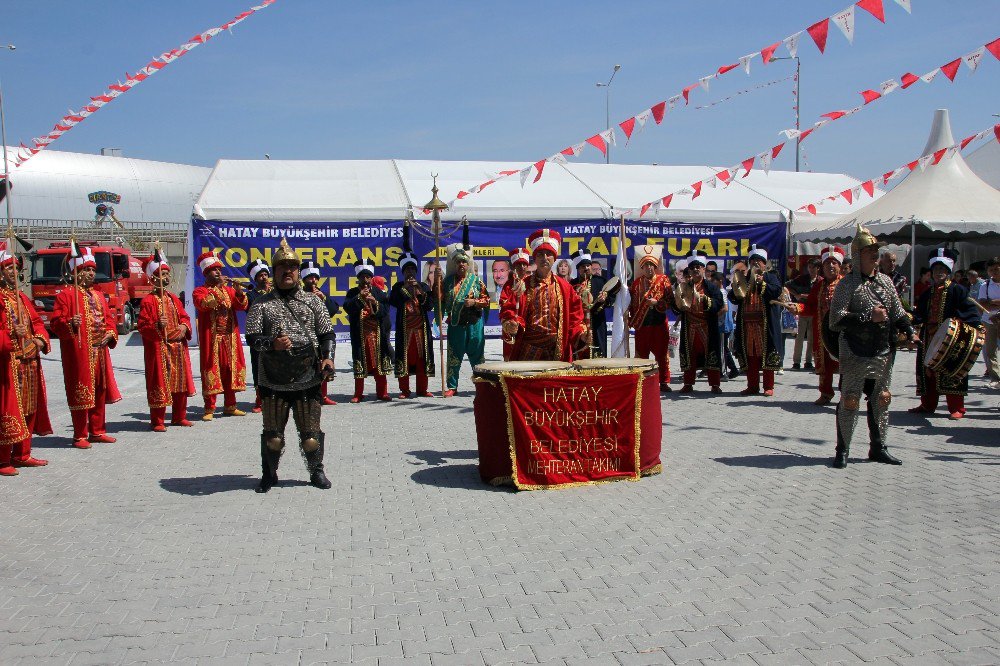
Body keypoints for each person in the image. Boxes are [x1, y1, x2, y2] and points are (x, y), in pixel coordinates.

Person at [244, 239, 336, 493]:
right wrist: (272, 344)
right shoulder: (261, 303)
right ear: (274, 272)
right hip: (273, 377)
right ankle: (269, 473)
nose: (288, 272)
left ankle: (316, 471)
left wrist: (328, 357)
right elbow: (252, 339)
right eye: (282, 267)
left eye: (292, 267)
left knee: (310, 437)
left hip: (307, 374)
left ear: (298, 271)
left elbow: (327, 333)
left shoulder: (313, 301)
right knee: (273, 437)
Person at [829, 225, 917, 468]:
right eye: (869, 250)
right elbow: (835, 320)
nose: (873, 255)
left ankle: (878, 447)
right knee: (850, 399)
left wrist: (910, 330)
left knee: (881, 399)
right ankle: (843, 449)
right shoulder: (847, 285)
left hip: (882, 349)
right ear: (857, 255)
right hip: (855, 350)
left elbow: (898, 312)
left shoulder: (886, 282)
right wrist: (868, 317)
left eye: (875, 250)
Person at [50, 246, 122, 448]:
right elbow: (55, 323)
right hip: (80, 352)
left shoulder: (98, 295)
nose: (91, 273)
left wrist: (110, 333)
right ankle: (80, 434)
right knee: (81, 390)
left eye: (92, 269)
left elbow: (109, 320)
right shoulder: (66, 295)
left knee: (100, 390)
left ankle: (97, 431)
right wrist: (69, 322)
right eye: (86, 269)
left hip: (100, 351)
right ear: (76, 272)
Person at [909, 249, 981, 420]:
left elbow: (970, 311)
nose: (939, 273)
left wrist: (968, 325)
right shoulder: (928, 292)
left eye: (942, 270)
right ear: (931, 272)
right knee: (927, 370)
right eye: (935, 270)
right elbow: (921, 315)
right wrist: (908, 317)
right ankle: (927, 404)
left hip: (951, 337)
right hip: (929, 336)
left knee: (951, 370)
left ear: (948, 272)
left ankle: (956, 407)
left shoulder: (958, 290)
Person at [500, 229, 586, 363]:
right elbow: (509, 310)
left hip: (557, 350)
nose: (545, 258)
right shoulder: (524, 286)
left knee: (555, 384)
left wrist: (582, 334)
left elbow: (575, 318)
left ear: (554, 258)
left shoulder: (565, 287)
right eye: (540, 254)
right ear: (535, 258)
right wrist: (510, 324)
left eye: (548, 254)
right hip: (529, 349)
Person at [0, 250, 51, 473]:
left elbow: (37, 322)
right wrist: (11, 335)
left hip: (30, 361)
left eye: (16, 267)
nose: (14, 271)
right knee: (8, 409)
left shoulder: (21, 297)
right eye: (8, 267)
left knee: (29, 407)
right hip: (8, 363)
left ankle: (23, 453)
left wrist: (40, 339)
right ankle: (3, 458)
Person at [137, 251, 196, 431]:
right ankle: (158, 420)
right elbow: (142, 326)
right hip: (160, 347)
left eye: (167, 274)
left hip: (177, 347)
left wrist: (184, 327)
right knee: (159, 382)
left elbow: (185, 317)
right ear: (153, 278)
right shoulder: (148, 301)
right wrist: (156, 324)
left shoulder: (173, 298)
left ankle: (179, 416)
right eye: (162, 274)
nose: (166, 277)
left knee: (179, 382)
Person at [783, 247, 844, 405]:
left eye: (834, 263)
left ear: (840, 266)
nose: (831, 266)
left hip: (844, 333)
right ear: (822, 267)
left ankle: (846, 395)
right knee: (824, 364)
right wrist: (796, 308)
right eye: (827, 263)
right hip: (822, 332)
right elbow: (809, 306)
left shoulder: (846, 284)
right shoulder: (819, 286)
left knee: (845, 365)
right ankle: (825, 393)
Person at [192, 251, 248, 420]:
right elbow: (204, 304)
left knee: (229, 370)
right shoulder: (199, 291)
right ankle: (209, 408)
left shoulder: (228, 291)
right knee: (211, 370)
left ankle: (231, 405)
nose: (218, 272)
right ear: (206, 273)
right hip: (213, 339)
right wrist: (216, 289)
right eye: (214, 270)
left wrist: (238, 292)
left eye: (219, 269)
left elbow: (241, 306)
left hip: (230, 339)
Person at [729, 245, 783, 396]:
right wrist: (734, 288)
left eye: (759, 261)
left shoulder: (771, 276)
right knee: (750, 356)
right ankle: (752, 386)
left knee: (767, 354)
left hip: (765, 326)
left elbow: (776, 291)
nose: (756, 263)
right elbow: (733, 297)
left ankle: (768, 386)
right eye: (753, 261)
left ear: (765, 264)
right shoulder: (744, 278)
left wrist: (762, 282)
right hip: (747, 326)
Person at [442, 226, 488, 396]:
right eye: (459, 262)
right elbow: (440, 300)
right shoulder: (447, 282)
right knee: (454, 357)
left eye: (464, 261)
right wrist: (437, 282)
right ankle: (452, 386)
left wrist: (475, 301)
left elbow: (487, 300)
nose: (461, 264)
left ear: (468, 264)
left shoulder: (476, 281)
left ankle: (482, 384)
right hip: (456, 325)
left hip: (474, 324)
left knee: (477, 356)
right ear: (455, 264)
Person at [670, 250, 723, 393]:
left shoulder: (711, 287)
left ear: (704, 269)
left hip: (707, 325)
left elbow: (719, 303)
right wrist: (676, 301)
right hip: (690, 326)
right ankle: (688, 383)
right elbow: (677, 308)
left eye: (698, 266)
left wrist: (706, 299)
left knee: (711, 352)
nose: (695, 269)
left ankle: (715, 384)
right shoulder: (684, 287)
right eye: (692, 267)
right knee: (689, 354)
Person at [344, 260, 393, 402]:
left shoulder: (378, 292)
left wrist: (374, 303)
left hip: (377, 334)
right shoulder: (352, 293)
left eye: (368, 277)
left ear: (372, 278)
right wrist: (360, 298)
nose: (365, 280)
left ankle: (382, 392)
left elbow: (385, 311)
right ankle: (358, 393)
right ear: (358, 278)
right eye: (362, 277)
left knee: (380, 364)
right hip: (360, 335)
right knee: (360, 362)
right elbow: (348, 307)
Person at [390, 251, 435, 398]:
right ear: (403, 272)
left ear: (416, 271)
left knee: (422, 359)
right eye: (407, 269)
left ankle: (422, 389)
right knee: (405, 358)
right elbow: (394, 301)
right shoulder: (397, 287)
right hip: (405, 331)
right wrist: (406, 288)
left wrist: (420, 291)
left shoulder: (423, 286)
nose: (410, 272)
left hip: (421, 331)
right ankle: (404, 390)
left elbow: (428, 306)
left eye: (412, 269)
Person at [300, 260, 340, 405]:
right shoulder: (299, 294)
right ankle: (305, 396)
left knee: (323, 365)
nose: (314, 281)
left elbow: (333, 310)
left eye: (316, 278)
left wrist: (323, 298)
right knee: (305, 367)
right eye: (310, 278)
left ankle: (322, 395)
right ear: (304, 279)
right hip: (304, 335)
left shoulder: (322, 294)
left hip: (321, 335)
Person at [570, 251, 611, 359]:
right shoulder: (572, 285)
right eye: (583, 266)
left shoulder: (601, 281)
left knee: (599, 355)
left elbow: (611, 298)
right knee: (580, 355)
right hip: (579, 326)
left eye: (588, 265)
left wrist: (605, 299)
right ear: (578, 269)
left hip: (598, 324)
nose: (586, 268)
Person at [247, 259, 272, 413]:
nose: (264, 277)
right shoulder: (251, 295)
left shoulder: (275, 291)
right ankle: (259, 399)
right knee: (259, 366)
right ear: (255, 279)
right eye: (260, 275)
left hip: (274, 334)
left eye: (265, 274)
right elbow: (251, 309)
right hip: (258, 335)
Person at [498, 247, 530, 361]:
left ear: (527, 266)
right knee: (511, 362)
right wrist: (511, 320)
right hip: (512, 326)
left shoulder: (532, 282)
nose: (521, 267)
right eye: (518, 264)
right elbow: (505, 305)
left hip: (529, 327)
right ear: (514, 267)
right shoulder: (508, 285)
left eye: (524, 264)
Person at [787, 259, 820, 370]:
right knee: (799, 337)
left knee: (811, 338)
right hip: (802, 311)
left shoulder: (820, 281)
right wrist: (796, 295)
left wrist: (806, 296)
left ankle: (808, 361)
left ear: (818, 269)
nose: (811, 270)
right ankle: (796, 362)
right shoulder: (802, 278)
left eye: (813, 268)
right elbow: (787, 285)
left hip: (814, 312)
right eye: (809, 267)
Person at [710, 271, 739, 380]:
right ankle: (733, 369)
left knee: (722, 349)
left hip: (723, 324)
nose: (712, 282)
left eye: (714, 280)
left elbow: (725, 308)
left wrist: (715, 315)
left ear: (720, 281)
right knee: (724, 348)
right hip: (724, 324)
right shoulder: (721, 292)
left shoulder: (721, 292)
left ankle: (723, 373)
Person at [978, 257, 1000, 388]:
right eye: (991, 270)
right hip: (989, 321)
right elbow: (983, 305)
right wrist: (994, 303)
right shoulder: (984, 285)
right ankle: (996, 378)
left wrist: (992, 301)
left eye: (996, 269)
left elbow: (988, 302)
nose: (994, 272)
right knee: (990, 351)